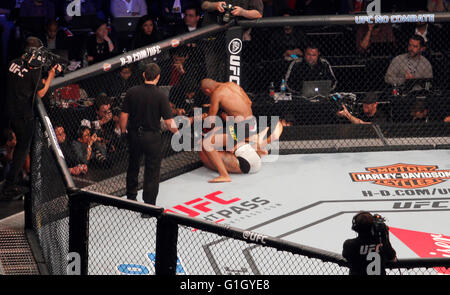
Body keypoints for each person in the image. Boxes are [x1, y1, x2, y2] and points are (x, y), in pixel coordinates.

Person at [2, 36, 61, 199]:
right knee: (22, 149)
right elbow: (41, 92)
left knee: (17, 147)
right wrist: (50, 75)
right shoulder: (33, 72)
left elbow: (25, 82)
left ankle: (15, 179)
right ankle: (11, 183)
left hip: (9, 112)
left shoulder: (12, 63)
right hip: (24, 116)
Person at [119, 63, 178, 208]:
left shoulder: (132, 92)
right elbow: (169, 122)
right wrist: (178, 133)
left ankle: (131, 198)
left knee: (133, 165)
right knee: (152, 170)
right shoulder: (160, 95)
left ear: (144, 75)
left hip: (134, 134)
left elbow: (123, 115)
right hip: (152, 137)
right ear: (158, 77)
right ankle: (149, 206)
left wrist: (123, 131)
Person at [199, 78, 258, 183]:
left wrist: (204, 118)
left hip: (241, 128)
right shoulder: (232, 85)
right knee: (220, 130)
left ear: (208, 91)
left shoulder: (216, 94)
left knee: (207, 143)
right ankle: (254, 151)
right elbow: (249, 102)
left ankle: (224, 175)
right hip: (252, 123)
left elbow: (211, 121)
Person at [199, 119, 283, 175]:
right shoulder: (238, 127)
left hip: (245, 160)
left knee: (205, 151)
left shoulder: (225, 130)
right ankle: (258, 146)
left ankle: (224, 175)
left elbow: (230, 148)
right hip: (255, 161)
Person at [342, 211, 397, 275]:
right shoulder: (381, 245)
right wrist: (385, 236)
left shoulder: (349, 244)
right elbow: (392, 258)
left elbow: (346, 256)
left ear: (355, 228)